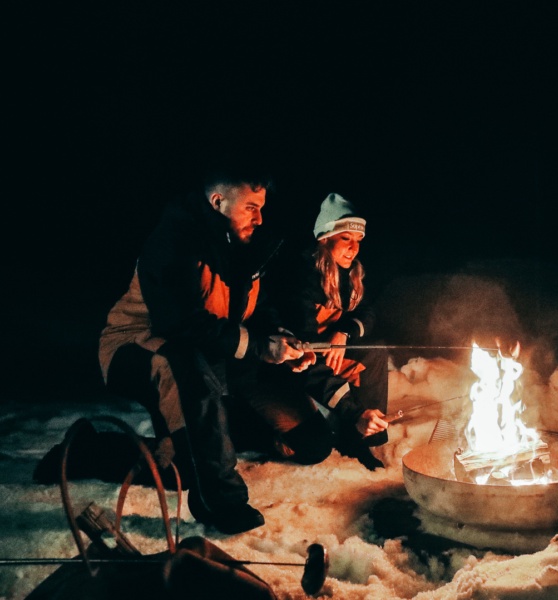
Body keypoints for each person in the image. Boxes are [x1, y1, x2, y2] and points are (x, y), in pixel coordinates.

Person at [97, 163, 333, 535]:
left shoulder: (244, 245)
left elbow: (257, 310)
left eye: (262, 208)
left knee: (312, 442)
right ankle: (217, 499)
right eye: (251, 208)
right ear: (218, 202)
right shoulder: (173, 241)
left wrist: (280, 339)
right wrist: (258, 346)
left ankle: (212, 434)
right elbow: (179, 324)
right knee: (186, 467)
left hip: (219, 355)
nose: (259, 218)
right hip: (141, 347)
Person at [275, 193, 389, 470]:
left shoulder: (351, 274)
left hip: (327, 350)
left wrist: (344, 333)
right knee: (314, 444)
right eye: (345, 238)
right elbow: (303, 350)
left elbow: (368, 313)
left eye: (358, 240)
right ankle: (354, 420)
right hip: (291, 366)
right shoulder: (302, 277)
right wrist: (353, 410)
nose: (353, 248)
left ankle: (365, 438)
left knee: (374, 352)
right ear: (324, 239)